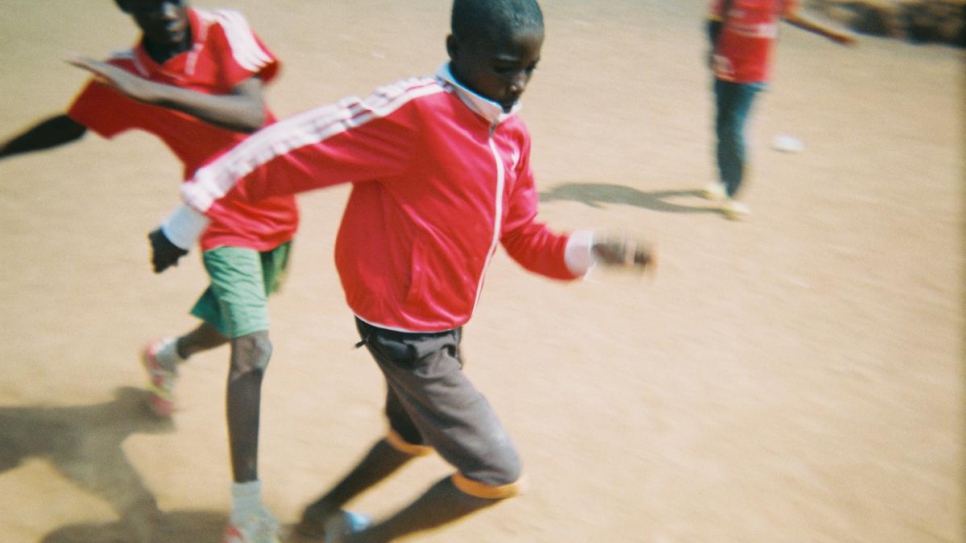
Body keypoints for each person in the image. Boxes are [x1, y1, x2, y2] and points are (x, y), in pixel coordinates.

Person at [152, 0, 654, 541]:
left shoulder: (511, 136)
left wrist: (591, 248)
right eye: (505, 66)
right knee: (496, 473)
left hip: (441, 324)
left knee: (411, 433)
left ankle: (321, 514)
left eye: (531, 68)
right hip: (404, 333)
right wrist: (186, 220)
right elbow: (289, 143)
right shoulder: (412, 111)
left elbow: (523, 235)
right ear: (455, 49)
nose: (519, 83)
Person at [0, 2, 297, 542]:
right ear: (123, 4)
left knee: (231, 325)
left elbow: (251, 113)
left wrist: (150, 94)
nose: (165, 10)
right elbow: (73, 125)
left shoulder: (222, 29)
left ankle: (168, 355)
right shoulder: (125, 73)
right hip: (218, 212)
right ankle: (246, 511)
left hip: (277, 205)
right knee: (253, 346)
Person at [703, 0, 856, 219]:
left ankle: (733, 195)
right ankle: (722, 180)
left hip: (753, 72)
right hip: (725, 66)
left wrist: (830, 34)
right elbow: (715, 19)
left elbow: (792, 16)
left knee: (733, 126)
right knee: (721, 125)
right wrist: (714, 52)